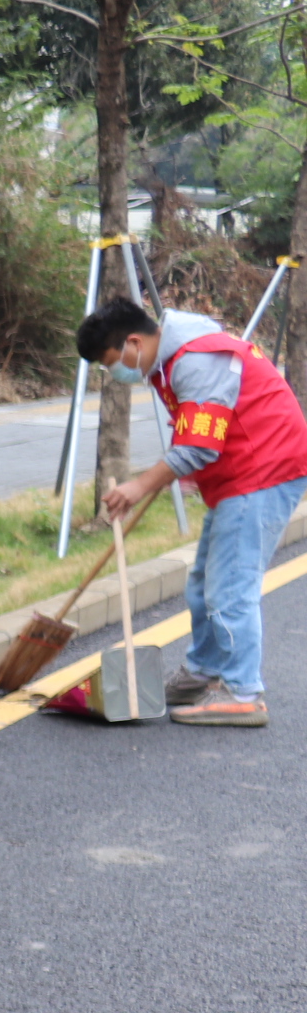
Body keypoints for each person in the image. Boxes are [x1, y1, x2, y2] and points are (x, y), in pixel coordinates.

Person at [89, 293, 307, 728]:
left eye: (112, 361)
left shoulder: (196, 359)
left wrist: (137, 486)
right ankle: (204, 673)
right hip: (241, 474)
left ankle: (244, 692)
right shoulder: (172, 359)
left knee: (230, 588)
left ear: (134, 342)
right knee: (204, 582)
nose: (115, 371)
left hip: (262, 471)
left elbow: (199, 447)